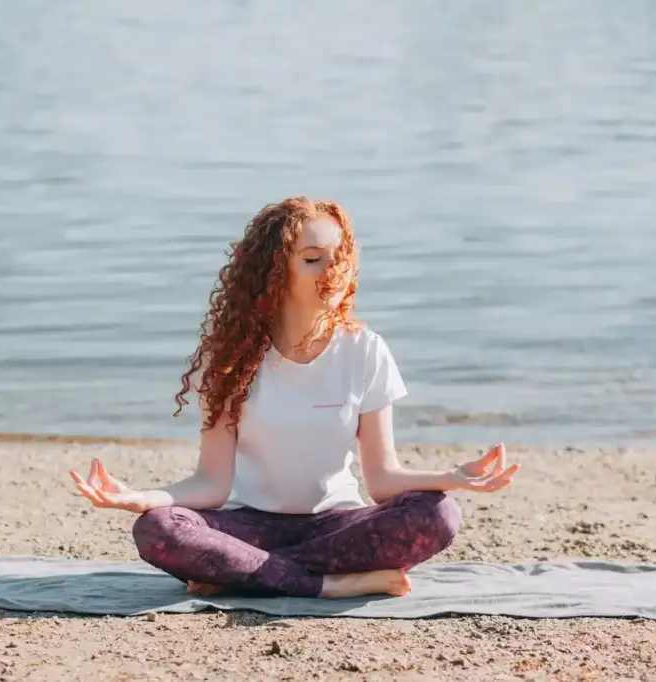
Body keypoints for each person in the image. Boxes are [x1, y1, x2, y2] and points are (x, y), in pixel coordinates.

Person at [69, 196, 520, 599]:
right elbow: (210, 484)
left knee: (438, 513)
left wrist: (453, 476)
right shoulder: (230, 357)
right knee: (159, 528)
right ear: (274, 274)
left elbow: (382, 480)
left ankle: (243, 576)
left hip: (335, 526)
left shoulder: (365, 349)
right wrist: (142, 496)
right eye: (313, 259)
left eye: (340, 256)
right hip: (248, 524)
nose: (334, 269)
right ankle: (326, 585)